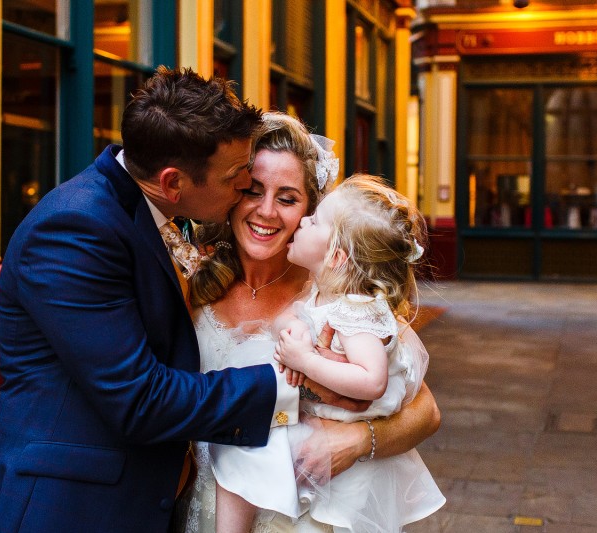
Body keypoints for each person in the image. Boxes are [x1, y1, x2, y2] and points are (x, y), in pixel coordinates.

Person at [0, 67, 303, 533]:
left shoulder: (161, 209)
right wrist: (289, 386)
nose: (244, 189)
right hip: (74, 508)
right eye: (238, 177)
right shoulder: (73, 231)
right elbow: (141, 399)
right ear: (173, 182)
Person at [183, 113, 442, 532]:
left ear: (311, 210)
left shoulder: (337, 295)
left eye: (287, 198)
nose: (266, 212)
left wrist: (358, 441)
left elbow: (425, 410)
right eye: (252, 191)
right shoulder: (190, 284)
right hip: (210, 506)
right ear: (231, 192)